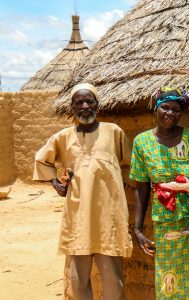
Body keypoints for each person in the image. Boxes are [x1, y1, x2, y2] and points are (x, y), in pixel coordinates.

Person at [33, 83, 133, 300]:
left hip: (109, 217)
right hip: (78, 216)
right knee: (78, 282)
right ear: (72, 107)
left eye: (89, 101)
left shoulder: (113, 131)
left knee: (113, 281)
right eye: (79, 102)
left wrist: (121, 184)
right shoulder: (63, 137)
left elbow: (130, 165)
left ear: (97, 104)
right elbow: (42, 159)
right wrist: (54, 182)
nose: (85, 106)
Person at [130, 86, 189, 299]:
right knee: (168, 282)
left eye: (176, 109)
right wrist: (137, 228)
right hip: (164, 220)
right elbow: (142, 187)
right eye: (165, 107)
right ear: (156, 108)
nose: (170, 113)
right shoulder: (141, 142)